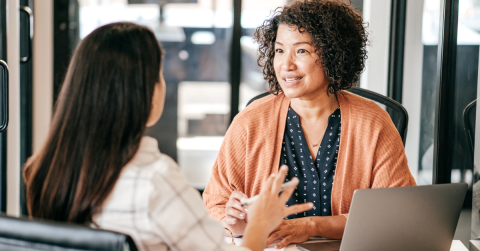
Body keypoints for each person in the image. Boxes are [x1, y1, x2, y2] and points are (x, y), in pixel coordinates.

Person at [23, 22, 312, 251]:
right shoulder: (155, 180)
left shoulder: (44, 170)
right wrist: (260, 224)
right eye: (159, 75)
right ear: (145, 94)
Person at [203, 0, 417, 249]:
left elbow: (395, 214)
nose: (286, 65)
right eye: (280, 50)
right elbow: (216, 205)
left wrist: (311, 226)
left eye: (301, 51)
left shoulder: (373, 122)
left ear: (333, 53)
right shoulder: (250, 122)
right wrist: (236, 222)